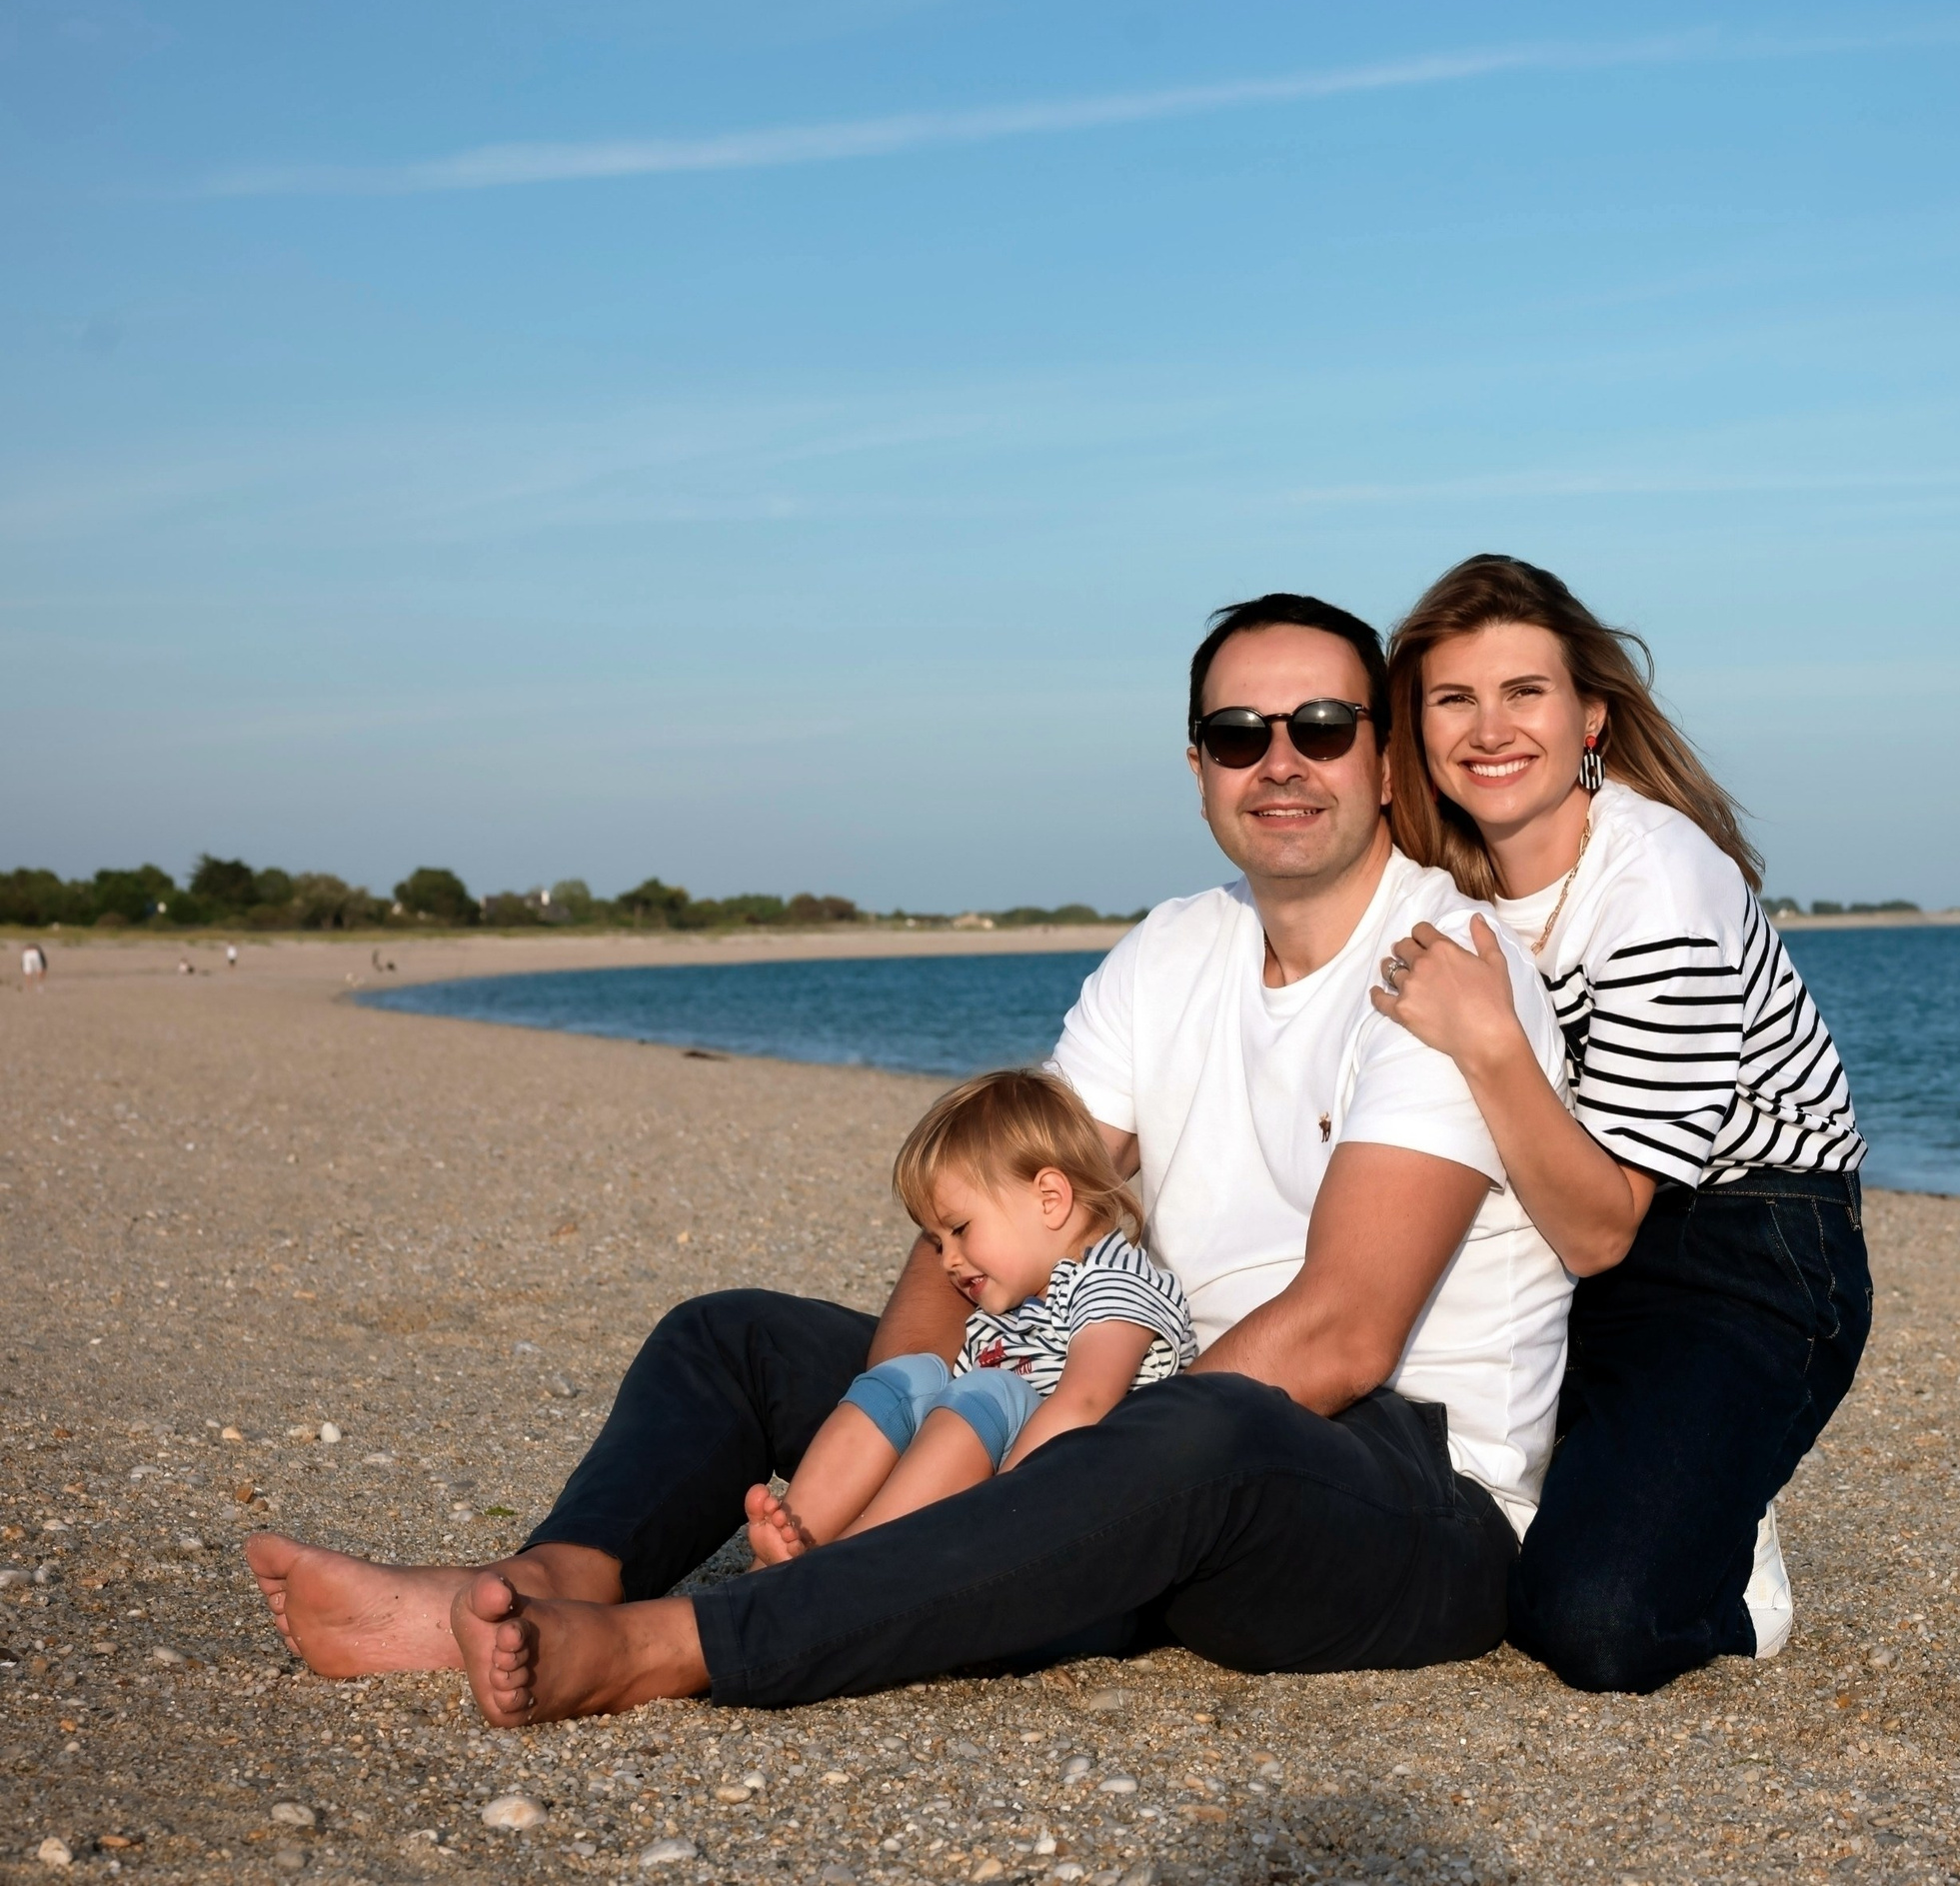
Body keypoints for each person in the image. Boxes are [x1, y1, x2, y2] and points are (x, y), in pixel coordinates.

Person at [245, 592, 1575, 1724]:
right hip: (1130, 1402)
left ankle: (668, 1644)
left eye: (1322, 727)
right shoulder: (1174, 947)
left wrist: (1055, 1475)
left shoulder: (1444, 962)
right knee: (735, 1340)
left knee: (1191, 1434)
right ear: (1198, 769)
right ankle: (542, 1590)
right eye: (1240, 734)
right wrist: (920, 1412)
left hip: (1397, 1490)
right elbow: (995, 1199)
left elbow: (1339, 1335)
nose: (1279, 761)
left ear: (1385, 761)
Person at [1370, 553, 1871, 1694]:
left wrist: (1490, 1038)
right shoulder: (1449, 885)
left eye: (1525, 692)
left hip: (1742, 1245)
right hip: (1558, 1229)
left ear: (1589, 716)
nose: (1489, 729)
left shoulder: (1657, 882)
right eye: (1453, 699)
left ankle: (1732, 1565)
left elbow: (1604, 1231)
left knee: (1595, 1621)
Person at [740, 1068, 1194, 1565]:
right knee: (912, 1376)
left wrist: (994, 1505)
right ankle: (794, 1545)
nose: (948, 1262)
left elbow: (1086, 1401)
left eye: (959, 1230)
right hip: (987, 1501)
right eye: (937, 1243)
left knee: (989, 1390)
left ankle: (844, 1567)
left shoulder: (1115, 1280)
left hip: (1078, 1512)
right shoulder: (1006, 1313)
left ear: (1050, 1199)